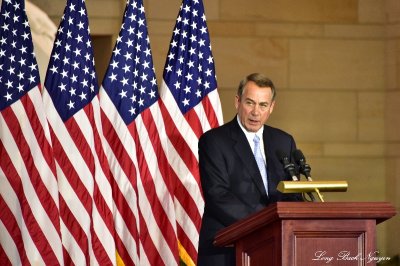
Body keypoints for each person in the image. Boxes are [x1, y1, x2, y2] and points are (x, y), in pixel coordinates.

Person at [197, 73, 303, 266]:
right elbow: (218, 195)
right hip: (227, 249)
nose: (256, 112)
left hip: (276, 248)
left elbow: (293, 193)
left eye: (263, 105)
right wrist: (267, 222)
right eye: (250, 103)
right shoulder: (214, 141)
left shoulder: (283, 141)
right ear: (238, 102)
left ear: (271, 108)